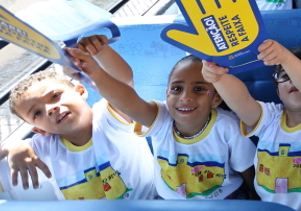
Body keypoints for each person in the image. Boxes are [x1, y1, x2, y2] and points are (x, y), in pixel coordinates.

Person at [0, 37, 156, 200]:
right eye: (37, 113)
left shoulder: (111, 117)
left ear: (80, 91)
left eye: (55, 96)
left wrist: (97, 51)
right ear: (39, 129)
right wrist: (8, 147)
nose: (50, 109)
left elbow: (124, 81)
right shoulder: (42, 149)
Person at [66, 44, 256, 200]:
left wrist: (255, 198)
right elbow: (128, 103)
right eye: (177, 89)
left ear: (216, 99)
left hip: (224, 202)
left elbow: (246, 168)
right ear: (166, 94)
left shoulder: (227, 127)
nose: (185, 97)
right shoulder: (162, 119)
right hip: (170, 207)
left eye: (199, 89)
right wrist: (96, 74)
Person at [202, 41, 301, 211]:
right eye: (285, 75)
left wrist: (285, 58)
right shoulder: (270, 118)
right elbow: (242, 102)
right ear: (278, 92)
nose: (292, 78)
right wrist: (218, 77)